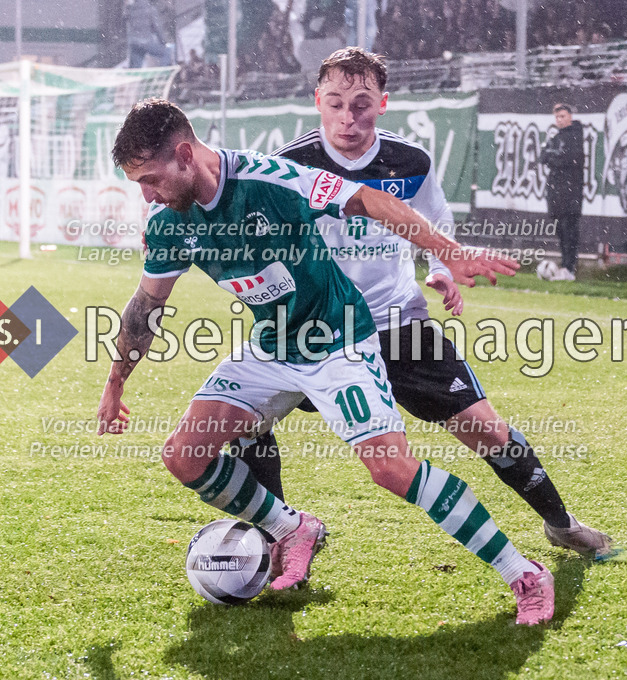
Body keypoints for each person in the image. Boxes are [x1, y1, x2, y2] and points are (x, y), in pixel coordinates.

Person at [97, 98, 556, 625]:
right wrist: (115, 382)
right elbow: (146, 306)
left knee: (391, 469)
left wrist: (447, 251)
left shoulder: (270, 179)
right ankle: (294, 529)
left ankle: (524, 572)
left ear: (184, 155)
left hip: (338, 339)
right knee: (185, 456)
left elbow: (370, 200)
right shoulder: (167, 222)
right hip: (272, 344)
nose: (147, 195)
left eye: (150, 179)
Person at [232, 48, 618, 563]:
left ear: (383, 103)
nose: (348, 118)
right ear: (318, 100)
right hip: (316, 328)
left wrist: (442, 269)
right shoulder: (290, 164)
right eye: (336, 103)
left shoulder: (410, 162)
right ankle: (281, 534)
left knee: (486, 429)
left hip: (396, 321)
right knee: (242, 421)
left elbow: (436, 222)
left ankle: (562, 524)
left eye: (361, 104)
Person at [540, 103, 585, 280]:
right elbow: (543, 157)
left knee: (569, 229)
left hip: (571, 191)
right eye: (557, 117)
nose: (560, 120)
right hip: (556, 189)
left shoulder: (575, 136)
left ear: (570, 117)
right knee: (559, 229)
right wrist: (554, 156)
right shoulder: (555, 136)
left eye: (563, 116)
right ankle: (565, 266)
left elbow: (569, 159)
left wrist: (553, 157)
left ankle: (569, 267)